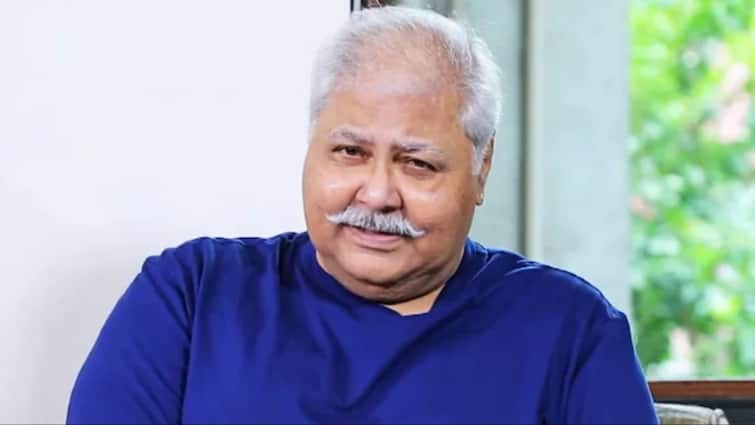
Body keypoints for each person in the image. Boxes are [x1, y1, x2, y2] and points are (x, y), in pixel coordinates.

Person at [67, 6, 658, 424]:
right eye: (349, 152)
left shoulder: (571, 331)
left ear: (481, 168)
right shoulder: (190, 296)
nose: (376, 195)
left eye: (417, 164)